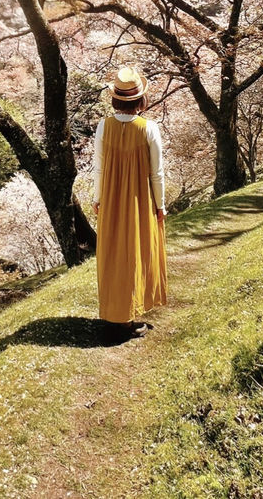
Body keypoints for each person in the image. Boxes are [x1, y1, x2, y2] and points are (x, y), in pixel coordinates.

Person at [92, 66, 167, 337]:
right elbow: (156, 172)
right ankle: (129, 315)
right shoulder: (149, 128)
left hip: (111, 198)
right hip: (139, 201)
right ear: (140, 99)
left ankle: (116, 314)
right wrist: (160, 205)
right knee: (136, 250)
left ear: (115, 98)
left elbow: (98, 167)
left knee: (113, 253)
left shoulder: (104, 126)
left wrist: (97, 199)